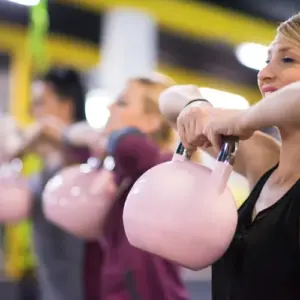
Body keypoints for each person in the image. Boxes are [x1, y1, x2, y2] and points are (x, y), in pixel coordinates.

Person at [160, 12, 300, 300]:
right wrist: (198, 106)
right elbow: (170, 99)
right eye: (267, 60)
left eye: (287, 59)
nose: (264, 74)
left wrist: (243, 119)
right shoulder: (265, 161)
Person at [97, 74, 190, 300]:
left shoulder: (161, 167)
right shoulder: (128, 175)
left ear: (152, 121)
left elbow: (129, 146)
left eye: (122, 102)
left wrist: (111, 136)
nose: (111, 106)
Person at [27, 67, 101, 300]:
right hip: (52, 285)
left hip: (82, 287)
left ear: (66, 105)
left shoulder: (87, 150)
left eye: (40, 102)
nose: (33, 111)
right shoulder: (45, 157)